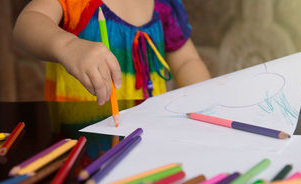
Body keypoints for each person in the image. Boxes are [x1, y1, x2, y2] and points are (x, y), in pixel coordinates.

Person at [14, 0, 210, 106]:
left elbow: (187, 61)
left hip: (148, 141)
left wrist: (206, 102)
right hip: (78, 144)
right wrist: (68, 46)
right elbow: (28, 23)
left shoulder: (165, 5)